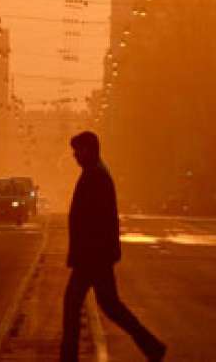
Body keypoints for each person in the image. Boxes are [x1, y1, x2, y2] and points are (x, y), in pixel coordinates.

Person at [61, 131, 165, 362]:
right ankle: (152, 346)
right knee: (111, 306)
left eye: (78, 151)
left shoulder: (96, 176)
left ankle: (68, 358)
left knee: (73, 304)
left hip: (92, 257)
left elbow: (97, 220)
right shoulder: (94, 173)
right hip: (95, 256)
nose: (75, 155)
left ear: (89, 150)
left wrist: (86, 254)